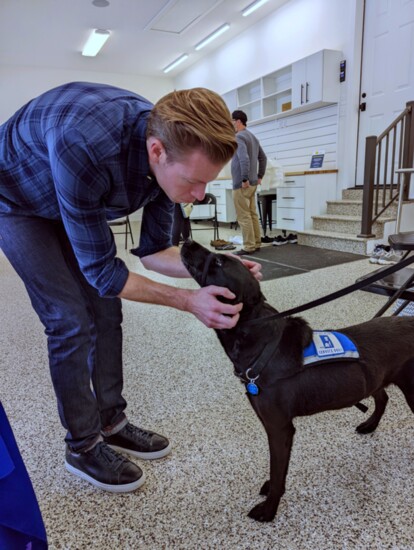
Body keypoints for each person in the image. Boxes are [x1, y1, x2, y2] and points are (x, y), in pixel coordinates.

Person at [0, 82, 262, 493]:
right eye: (194, 181)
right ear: (156, 151)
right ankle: (83, 446)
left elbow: (155, 251)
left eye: (207, 182)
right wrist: (188, 301)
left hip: (69, 192)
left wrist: (218, 268)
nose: (200, 194)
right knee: (69, 319)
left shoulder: (168, 154)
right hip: (16, 201)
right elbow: (105, 273)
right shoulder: (84, 143)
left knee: (106, 309)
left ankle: (112, 421)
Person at [230, 110, 267, 255]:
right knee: (252, 214)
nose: (231, 124)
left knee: (243, 215)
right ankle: (256, 243)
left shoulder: (239, 137)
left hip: (242, 183)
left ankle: (248, 246)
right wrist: (259, 176)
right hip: (252, 182)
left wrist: (244, 178)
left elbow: (243, 158)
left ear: (238, 121)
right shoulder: (253, 137)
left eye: (232, 121)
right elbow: (263, 158)